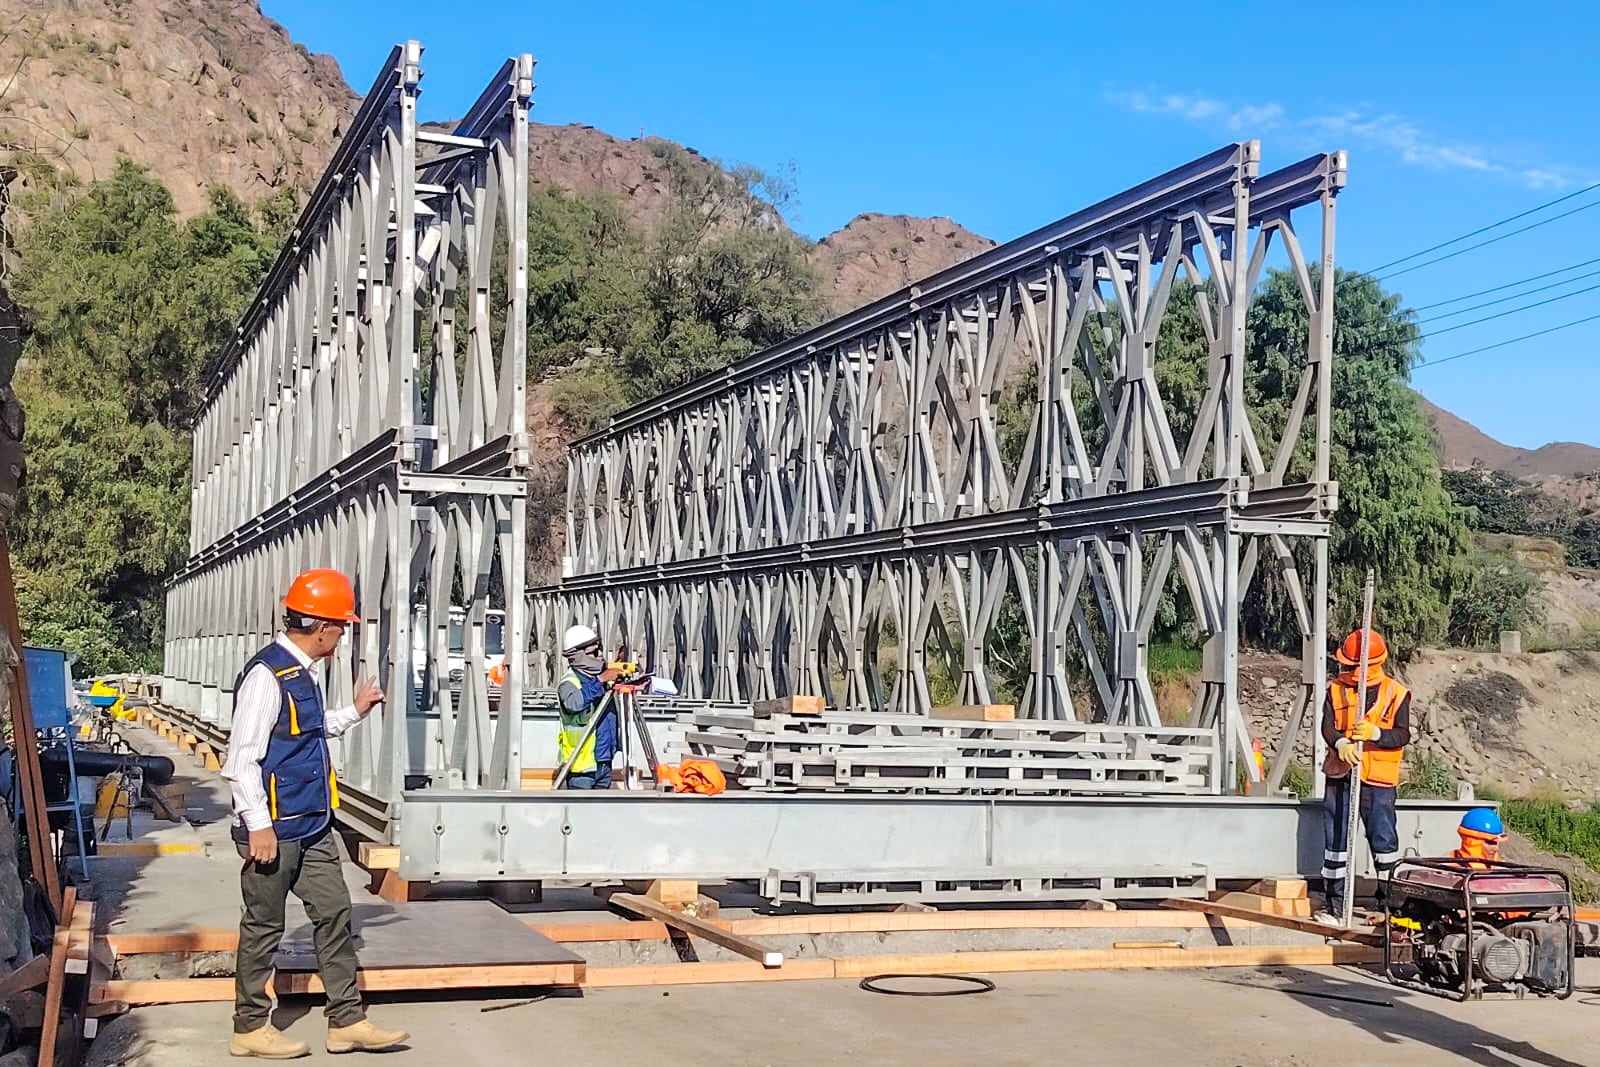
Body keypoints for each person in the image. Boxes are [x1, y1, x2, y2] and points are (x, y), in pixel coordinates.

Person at [220, 569, 408, 1058]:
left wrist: (354, 711)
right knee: (264, 924)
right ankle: (248, 1027)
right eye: (342, 627)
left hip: (312, 823)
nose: (343, 636)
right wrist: (257, 825)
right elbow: (241, 758)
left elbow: (305, 730)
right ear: (322, 627)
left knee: (335, 912)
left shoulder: (302, 673)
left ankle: (346, 1020)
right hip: (276, 829)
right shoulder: (267, 675)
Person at [1315, 628, 1412, 925]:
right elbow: (1327, 726)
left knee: (1384, 845)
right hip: (1342, 775)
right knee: (1336, 844)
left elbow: (1402, 735)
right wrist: (1341, 743)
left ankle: (1388, 910)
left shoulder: (1396, 693)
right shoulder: (1336, 689)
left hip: (1378, 782)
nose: (1349, 669)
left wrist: (1376, 733)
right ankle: (1335, 906)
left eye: (1354, 664)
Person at [557, 624, 621, 788]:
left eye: (600, 651)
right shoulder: (569, 683)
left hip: (603, 762)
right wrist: (600, 680)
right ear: (577, 656)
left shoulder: (600, 681)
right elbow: (574, 703)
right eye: (594, 652)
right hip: (581, 767)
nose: (600, 656)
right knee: (580, 813)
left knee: (601, 814)